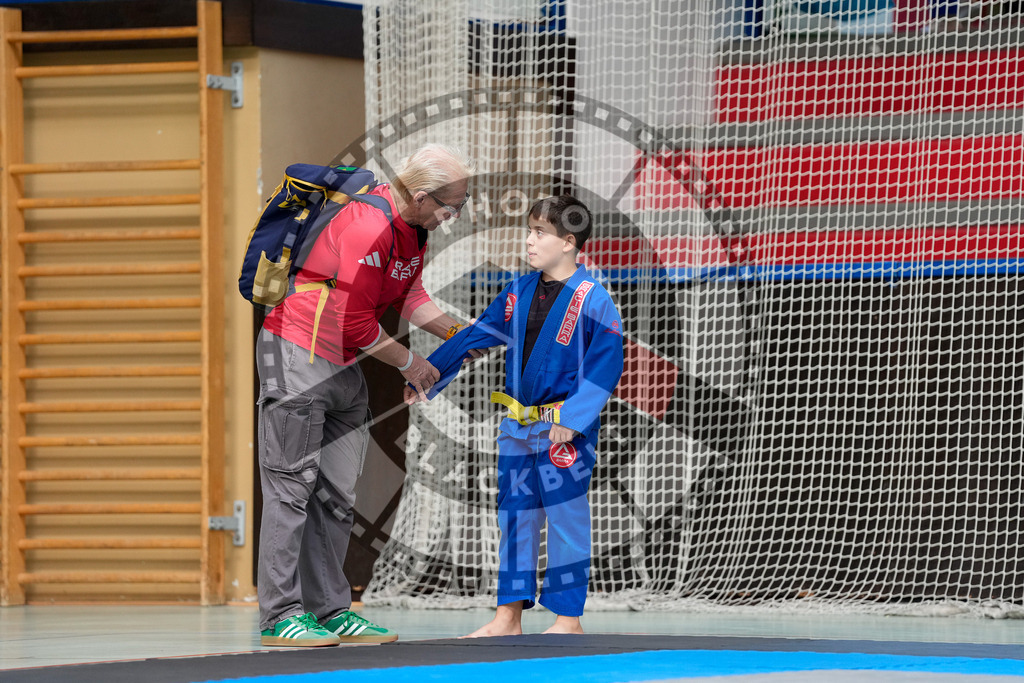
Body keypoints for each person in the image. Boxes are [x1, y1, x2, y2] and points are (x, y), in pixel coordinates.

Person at [256, 144, 474, 647]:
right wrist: (413, 364)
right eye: (450, 206)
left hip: (343, 369)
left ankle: (332, 610)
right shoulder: (365, 224)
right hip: (297, 356)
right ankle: (279, 615)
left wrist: (455, 335)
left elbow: (409, 294)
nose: (453, 216)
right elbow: (355, 323)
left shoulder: (413, 231)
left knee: (335, 495)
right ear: (420, 196)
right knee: (292, 490)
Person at [404, 195, 624, 636]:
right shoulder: (518, 292)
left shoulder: (594, 300)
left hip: (564, 431)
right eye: (529, 230)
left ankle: (568, 618)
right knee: (515, 518)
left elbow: (605, 365)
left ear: (567, 242)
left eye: (539, 232)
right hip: (517, 428)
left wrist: (574, 419)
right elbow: (477, 337)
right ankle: (508, 617)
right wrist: (427, 375)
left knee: (565, 520)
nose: (529, 240)